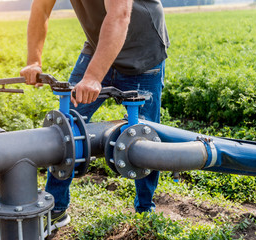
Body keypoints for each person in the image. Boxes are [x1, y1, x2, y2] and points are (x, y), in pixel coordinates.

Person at [20, 0, 170, 234]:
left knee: (144, 133)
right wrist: (33, 61)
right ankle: (57, 208)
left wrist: (93, 77)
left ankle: (145, 211)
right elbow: (40, 9)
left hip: (142, 51)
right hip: (100, 45)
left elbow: (120, 14)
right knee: (65, 126)